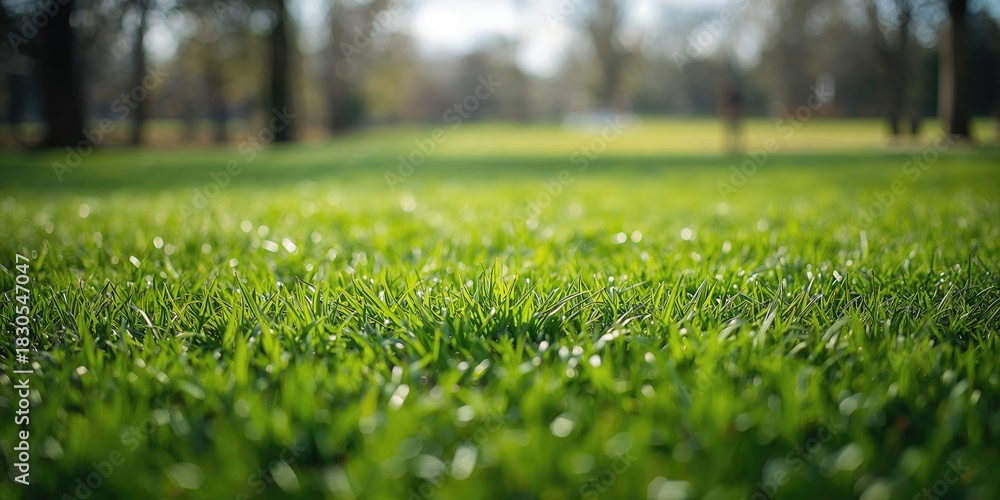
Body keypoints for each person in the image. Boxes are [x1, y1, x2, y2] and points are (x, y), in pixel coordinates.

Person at [718, 79, 745, 154]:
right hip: (729, 117)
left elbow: (740, 106)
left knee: (736, 133)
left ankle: (736, 146)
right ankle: (729, 146)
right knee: (729, 133)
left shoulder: (736, 96)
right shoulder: (727, 95)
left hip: (735, 117)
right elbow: (723, 106)